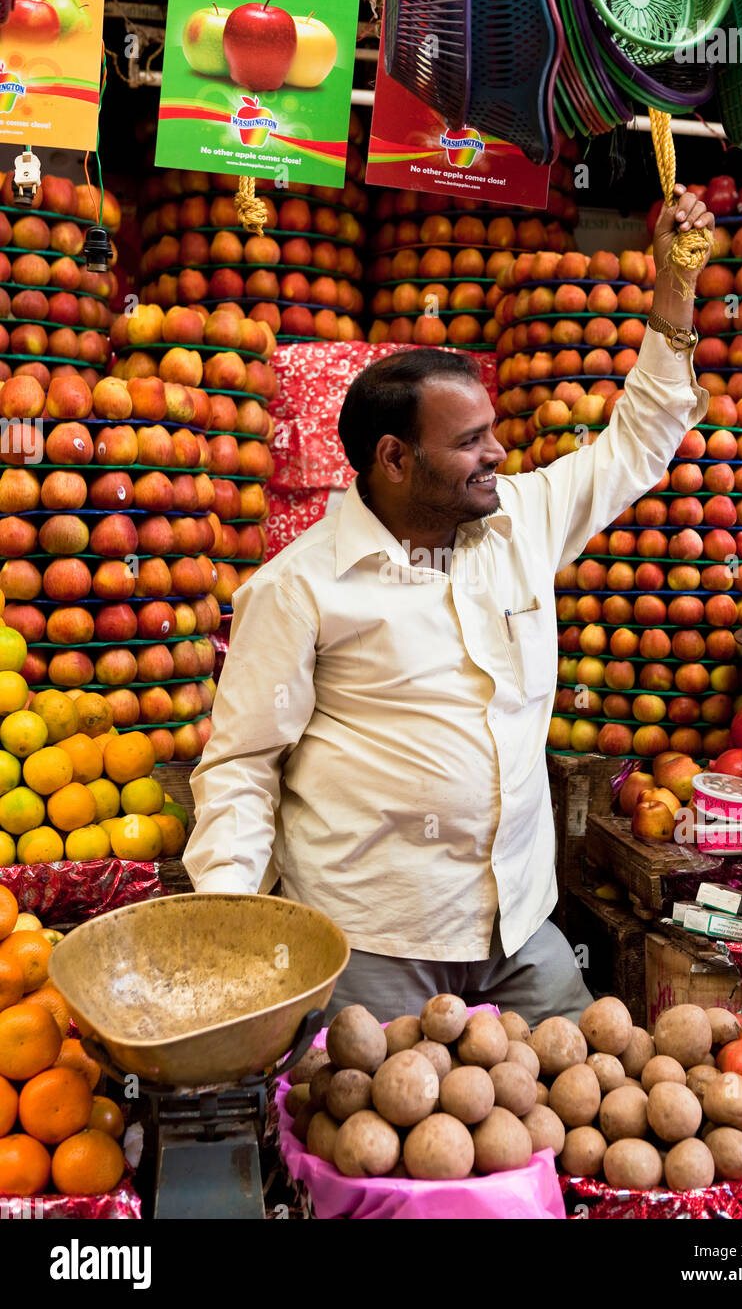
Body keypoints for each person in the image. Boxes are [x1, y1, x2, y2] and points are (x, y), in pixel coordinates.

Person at [183, 185, 714, 1026]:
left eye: (492, 432)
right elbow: (243, 765)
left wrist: (674, 290)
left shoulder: (521, 521)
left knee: (591, 1104)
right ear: (393, 459)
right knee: (380, 1139)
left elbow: (637, 442)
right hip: (372, 946)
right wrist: (231, 915)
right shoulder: (298, 587)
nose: (497, 454)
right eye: (470, 442)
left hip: (520, 929)